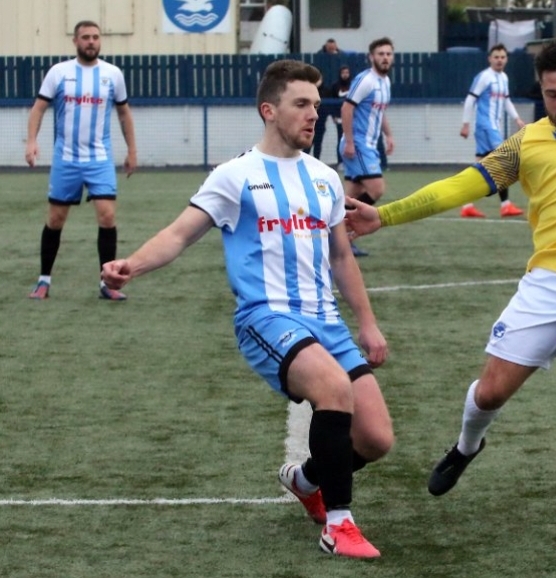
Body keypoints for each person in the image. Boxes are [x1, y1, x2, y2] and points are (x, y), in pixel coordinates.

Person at [345, 36, 556, 540]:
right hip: (548, 287)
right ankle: (465, 447)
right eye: (552, 95)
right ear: (540, 93)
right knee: (491, 392)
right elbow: (461, 185)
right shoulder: (527, 144)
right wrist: (385, 215)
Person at [100, 60, 392, 559]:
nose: (312, 116)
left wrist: (367, 324)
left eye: (316, 106)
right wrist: (133, 264)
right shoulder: (235, 176)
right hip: (267, 317)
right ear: (268, 110)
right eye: (300, 104)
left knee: (375, 439)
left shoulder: (323, 177)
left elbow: (342, 257)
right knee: (332, 388)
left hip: (326, 321)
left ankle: (304, 479)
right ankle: (338, 526)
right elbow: (178, 234)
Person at [24, 20, 137, 301]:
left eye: (95, 37)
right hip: (66, 160)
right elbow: (38, 109)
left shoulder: (112, 74)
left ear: (100, 41)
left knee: (108, 217)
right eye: (85, 37)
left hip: (99, 159)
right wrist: (32, 141)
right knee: (55, 220)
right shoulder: (59, 73)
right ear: (75, 41)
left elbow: (124, 113)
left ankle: (107, 284)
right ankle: (43, 281)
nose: (91, 41)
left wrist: (132, 150)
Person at [340, 37, 395, 257]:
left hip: (369, 145)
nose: (385, 58)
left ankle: (332, 234)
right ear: (371, 57)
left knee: (351, 197)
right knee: (376, 188)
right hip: (359, 144)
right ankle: (343, 232)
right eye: (380, 54)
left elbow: (379, 113)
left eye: (388, 54)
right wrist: (351, 141)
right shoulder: (366, 80)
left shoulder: (385, 82)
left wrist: (389, 135)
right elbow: (346, 108)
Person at [458, 44, 527, 219]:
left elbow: (506, 101)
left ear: (506, 59)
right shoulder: (484, 77)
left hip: (493, 126)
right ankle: (505, 205)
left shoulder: (504, 77)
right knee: (504, 161)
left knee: (480, 166)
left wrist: (517, 118)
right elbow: (469, 99)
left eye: (502, 57)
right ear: (490, 59)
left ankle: (467, 205)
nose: (499, 60)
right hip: (486, 126)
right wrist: (465, 124)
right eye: (496, 57)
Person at [329, 65, 352, 166]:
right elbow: (331, 102)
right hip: (339, 117)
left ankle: (351, 161)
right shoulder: (335, 86)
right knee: (341, 139)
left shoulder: (353, 85)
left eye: (347, 73)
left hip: (352, 117)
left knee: (352, 139)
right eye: (343, 73)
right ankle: (341, 161)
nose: (345, 75)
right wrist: (334, 116)